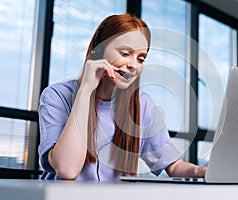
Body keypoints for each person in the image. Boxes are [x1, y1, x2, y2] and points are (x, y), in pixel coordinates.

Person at [38, 13, 207, 181]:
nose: (134, 65)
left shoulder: (143, 104)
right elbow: (67, 169)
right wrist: (85, 91)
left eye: (141, 59)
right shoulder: (57, 96)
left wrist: (201, 171)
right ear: (99, 51)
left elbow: (173, 166)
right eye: (125, 53)